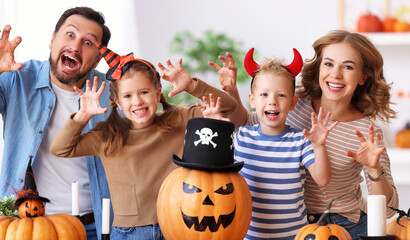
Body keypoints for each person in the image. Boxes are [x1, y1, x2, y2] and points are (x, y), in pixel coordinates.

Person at [213, 30, 399, 239]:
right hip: (287, 225)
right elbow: (248, 124)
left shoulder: (366, 131)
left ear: (363, 77)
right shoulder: (293, 103)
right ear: (319, 68)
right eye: (328, 64)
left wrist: (374, 169)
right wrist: (228, 91)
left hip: (342, 226)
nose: (336, 74)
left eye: (348, 66)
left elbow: (389, 210)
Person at [50, 44, 238, 239]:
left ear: (157, 93)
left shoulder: (179, 120)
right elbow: (60, 149)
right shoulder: (106, 136)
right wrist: (82, 116)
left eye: (144, 92)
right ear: (118, 103)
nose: (137, 101)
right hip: (128, 233)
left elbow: (228, 107)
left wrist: (191, 86)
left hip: (178, 225)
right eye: (128, 96)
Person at [0, 7, 112, 239]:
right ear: (52, 39)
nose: (76, 46)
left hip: (97, 226)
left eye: (88, 43)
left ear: (98, 58)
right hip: (25, 226)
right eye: (70, 35)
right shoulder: (16, 78)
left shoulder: (114, 93)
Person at [204, 49, 338, 239]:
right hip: (248, 236)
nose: (273, 102)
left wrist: (319, 145)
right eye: (264, 95)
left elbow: (323, 179)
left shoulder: (300, 141)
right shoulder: (241, 138)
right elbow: (209, 168)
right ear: (252, 100)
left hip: (294, 236)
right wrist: (213, 126)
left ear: (293, 103)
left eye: (281, 96)